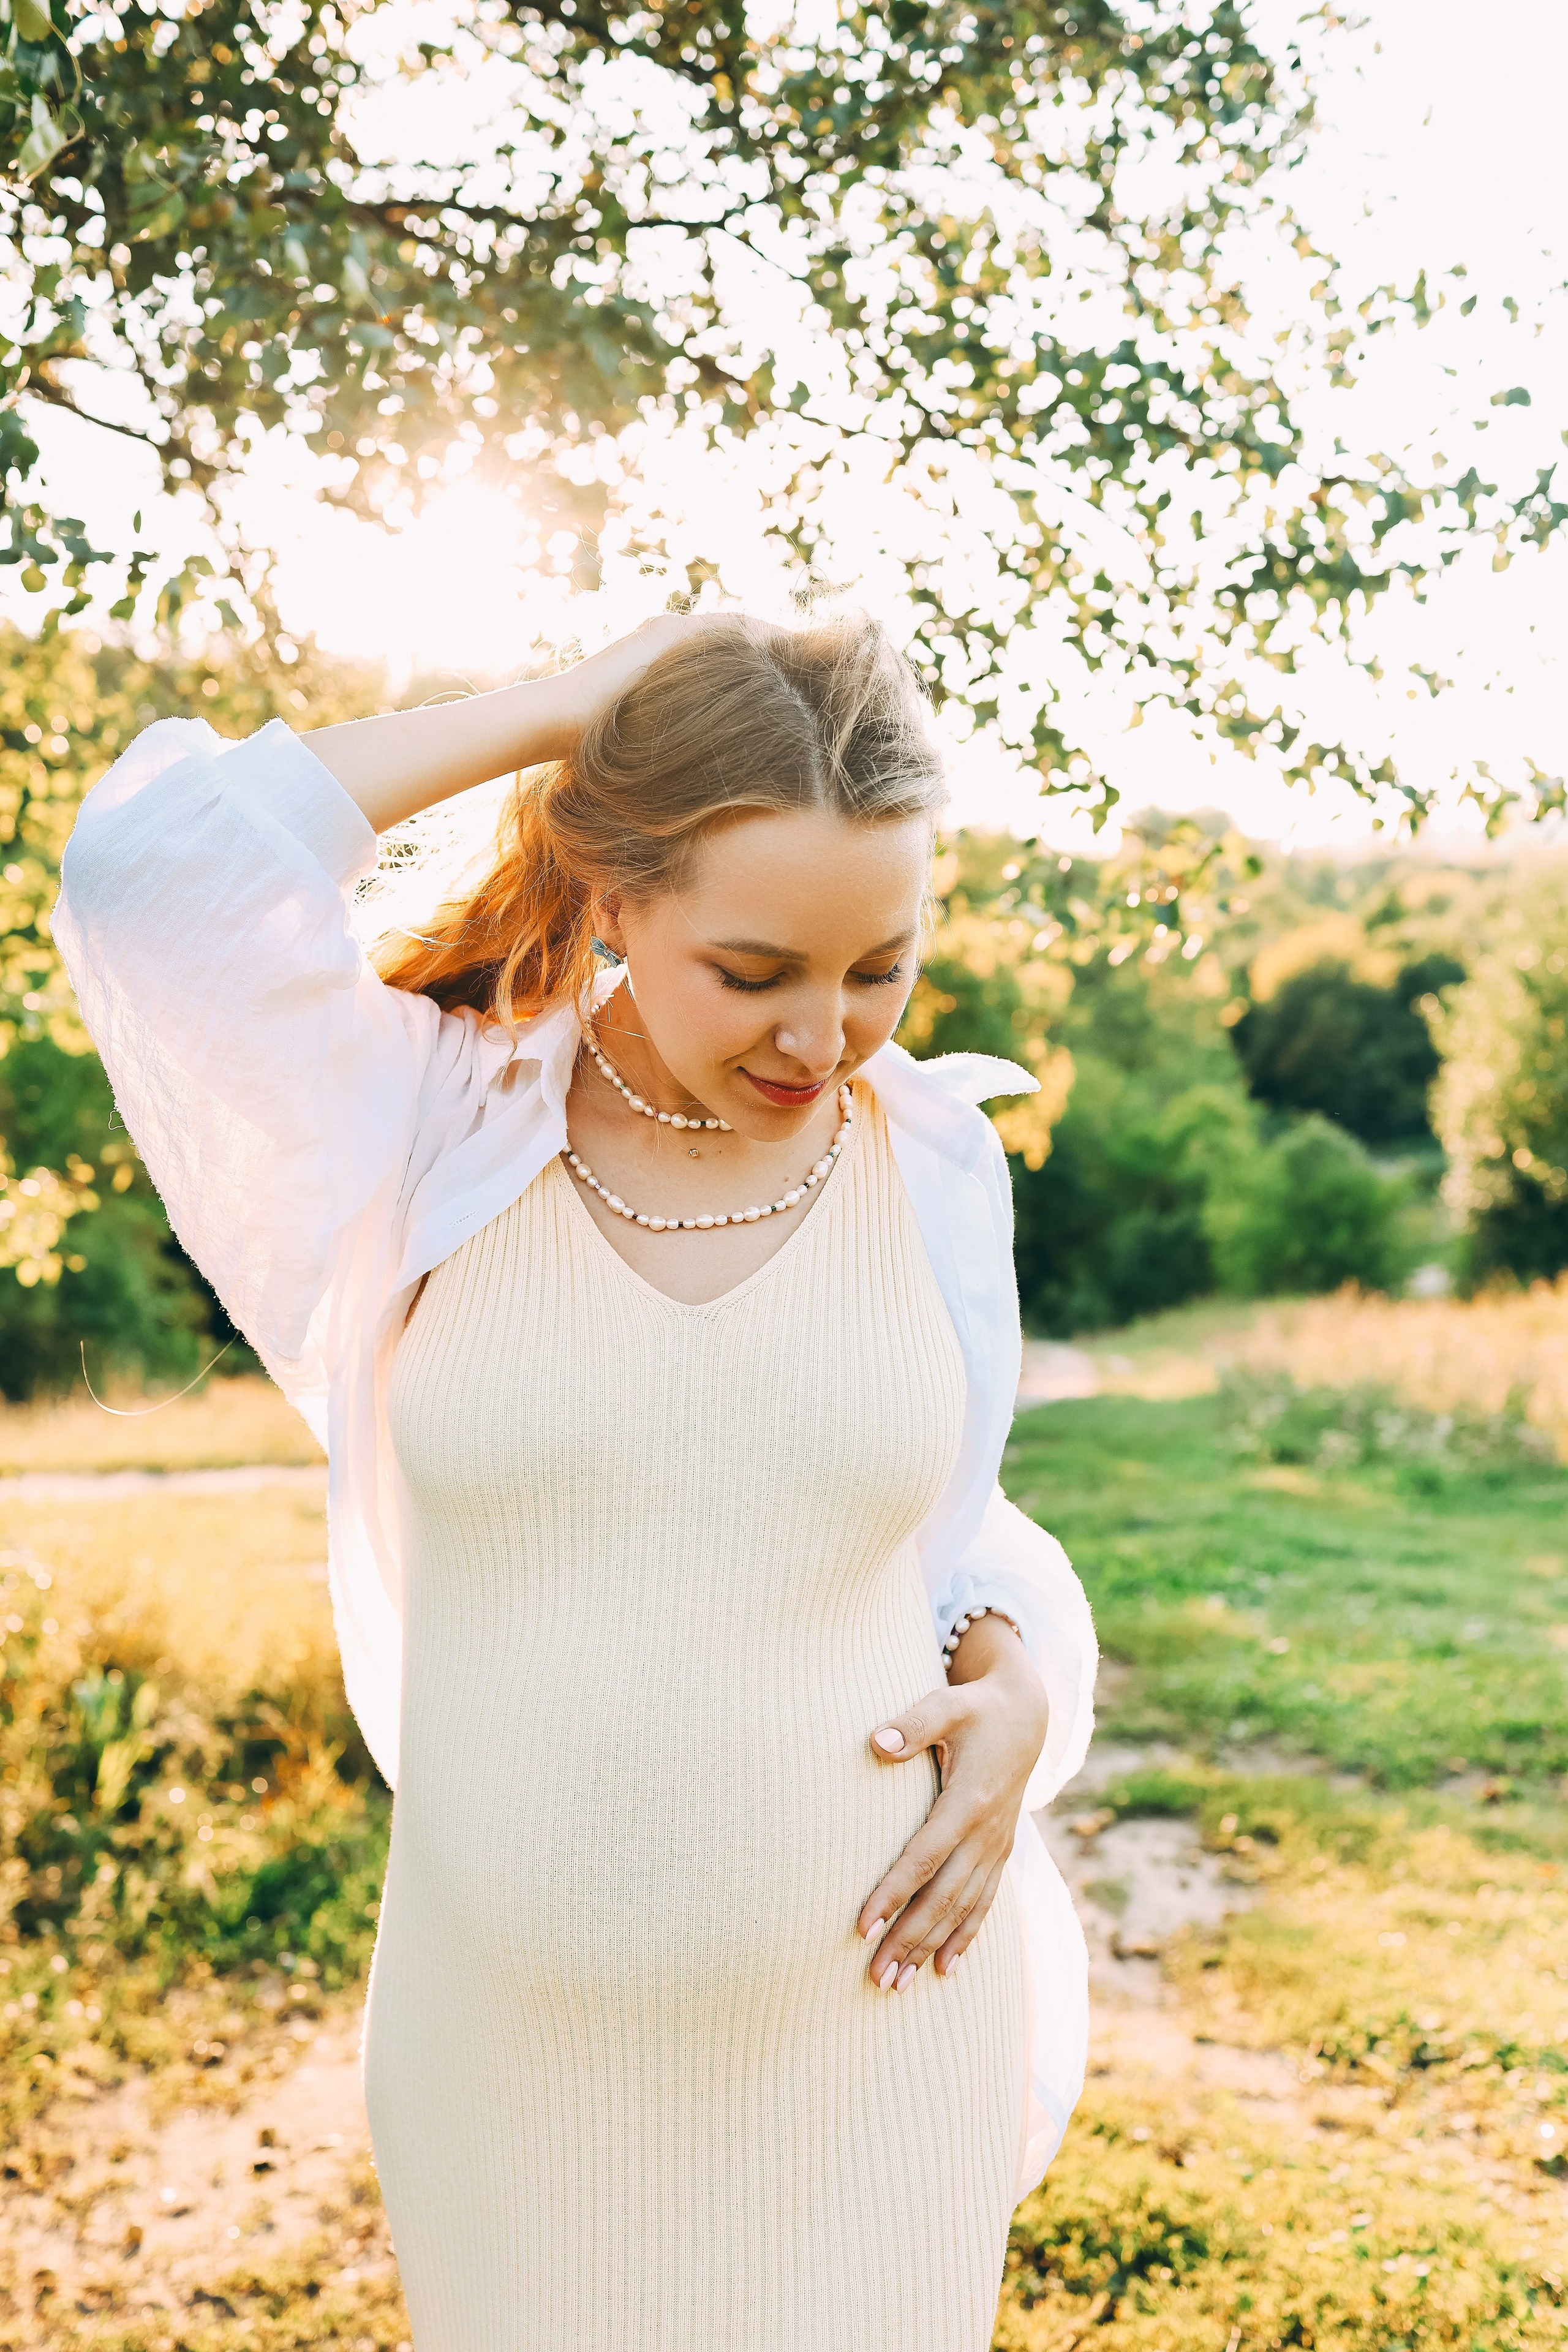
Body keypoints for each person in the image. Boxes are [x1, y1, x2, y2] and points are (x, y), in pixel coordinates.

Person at [56, 608, 1096, 2352]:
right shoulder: (432, 1125)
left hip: (871, 2043)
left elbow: (941, 1544)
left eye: (876, 967)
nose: (820, 1035)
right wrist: (568, 711)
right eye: (753, 972)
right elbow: (153, 879)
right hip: (508, 2075)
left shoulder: (933, 1166)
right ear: (615, 900)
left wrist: (1019, 1687)